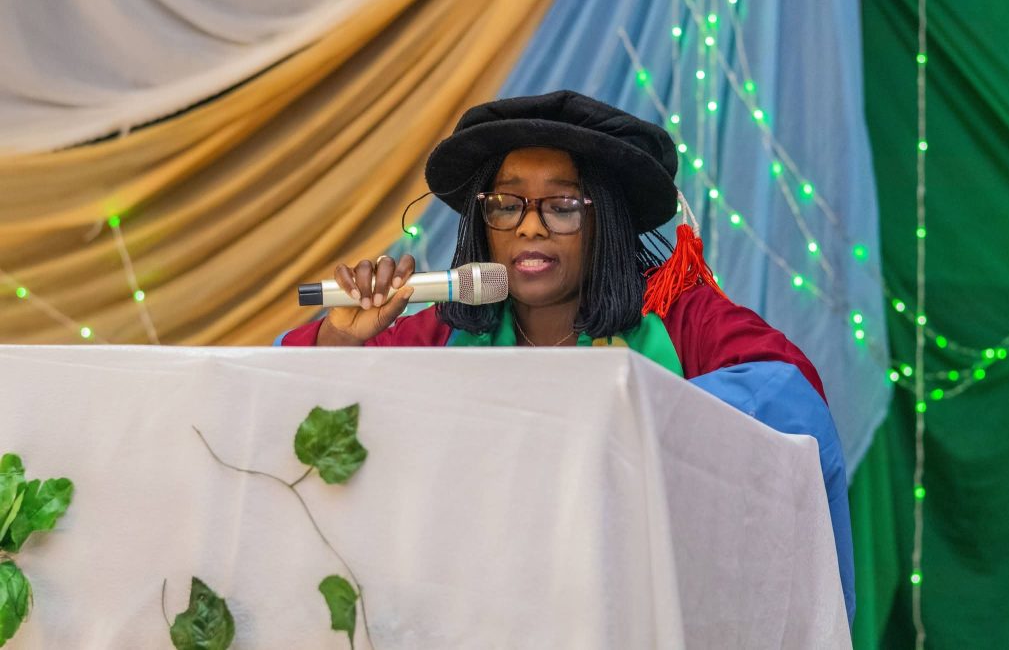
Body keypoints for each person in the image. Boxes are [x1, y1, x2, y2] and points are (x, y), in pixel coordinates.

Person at [279, 90, 855, 627]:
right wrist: (341, 340)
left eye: (562, 206)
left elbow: (790, 400)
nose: (530, 226)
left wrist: (618, 411)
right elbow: (292, 406)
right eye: (507, 204)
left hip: (639, 616)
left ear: (606, 218)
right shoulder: (447, 331)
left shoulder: (679, 318)